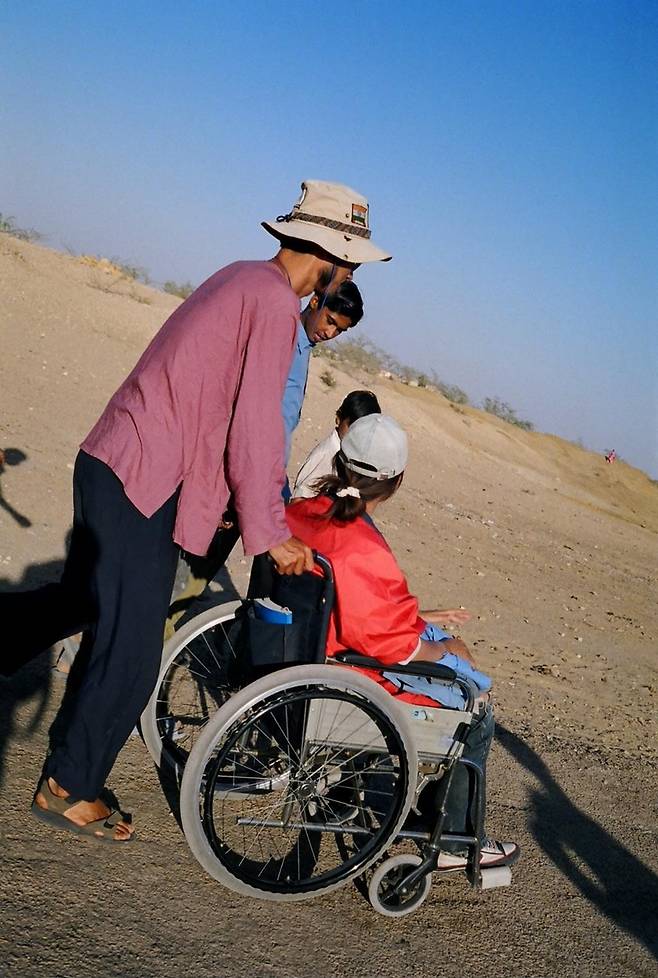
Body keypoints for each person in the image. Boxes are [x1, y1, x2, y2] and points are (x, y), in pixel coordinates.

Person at [1, 179, 391, 843]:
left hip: (116, 459)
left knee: (88, 601)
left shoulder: (244, 278)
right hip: (142, 479)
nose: (351, 273)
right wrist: (267, 532)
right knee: (132, 648)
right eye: (349, 260)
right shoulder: (273, 302)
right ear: (325, 255)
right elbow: (256, 427)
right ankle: (70, 785)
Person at [285, 414, 519, 869]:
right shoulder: (365, 548)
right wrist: (445, 650)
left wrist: (426, 625)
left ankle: (388, 794)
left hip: (302, 652)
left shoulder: (302, 512)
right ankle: (453, 842)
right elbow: (397, 649)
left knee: (450, 649)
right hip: (350, 671)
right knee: (477, 709)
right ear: (395, 482)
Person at [292, 389, 381, 499]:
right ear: (339, 418)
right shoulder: (326, 454)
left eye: (363, 432)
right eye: (351, 428)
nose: (355, 435)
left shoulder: (353, 455)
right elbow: (299, 499)